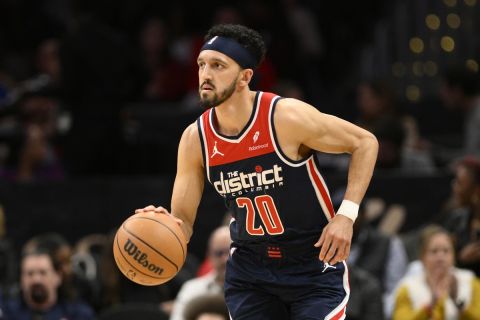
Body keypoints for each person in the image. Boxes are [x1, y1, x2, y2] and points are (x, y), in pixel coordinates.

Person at [136, 24, 378, 319]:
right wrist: (162, 228)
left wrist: (346, 216)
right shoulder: (194, 139)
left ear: (244, 77)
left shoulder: (285, 117)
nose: (205, 75)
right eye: (201, 65)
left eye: (217, 65)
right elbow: (182, 223)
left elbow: (364, 142)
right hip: (251, 270)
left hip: (311, 263)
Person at [392, 225, 480, 320]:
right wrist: (431, 305)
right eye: (434, 251)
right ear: (422, 257)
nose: (440, 257)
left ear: (453, 256)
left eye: (446, 251)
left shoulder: (470, 281)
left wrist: (457, 302)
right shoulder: (407, 287)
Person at [0, 249, 95, 320]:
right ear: (21, 278)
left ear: (58, 277)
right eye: (30, 273)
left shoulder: (78, 314)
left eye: (43, 273)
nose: (36, 279)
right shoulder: (7, 313)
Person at [170, 226, 230, 320]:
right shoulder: (192, 288)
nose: (225, 259)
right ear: (209, 256)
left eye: (231, 253)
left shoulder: (255, 290)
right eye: (219, 253)